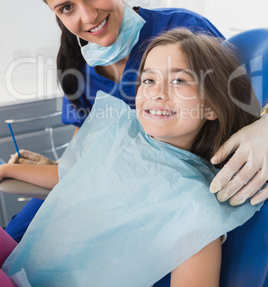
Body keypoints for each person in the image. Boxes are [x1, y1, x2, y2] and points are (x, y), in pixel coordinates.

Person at [5, 0, 268, 243]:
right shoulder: (76, 65)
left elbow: (236, 99)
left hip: (182, 190)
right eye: (66, 8)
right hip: (116, 187)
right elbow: (88, 140)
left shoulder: (183, 30)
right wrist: (64, 165)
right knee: (16, 237)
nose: (87, 16)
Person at [1, 29, 263, 286]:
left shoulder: (194, 209)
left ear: (211, 107)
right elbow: (75, 176)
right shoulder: (125, 134)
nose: (156, 93)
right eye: (148, 80)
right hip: (25, 271)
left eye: (179, 81)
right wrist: (7, 171)